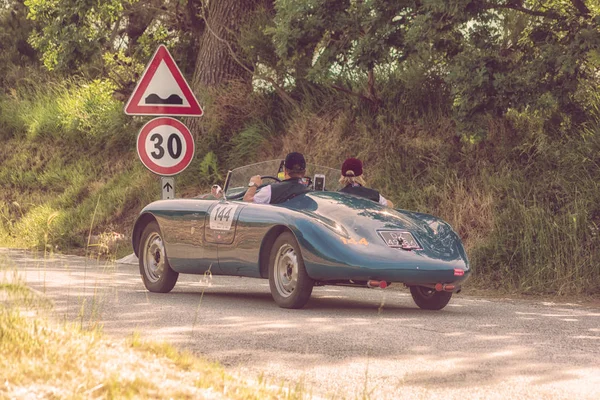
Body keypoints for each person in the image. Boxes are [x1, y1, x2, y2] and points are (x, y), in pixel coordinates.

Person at [243, 152, 310, 204]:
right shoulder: (308, 192)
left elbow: (247, 203)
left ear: (285, 170)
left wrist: (253, 185)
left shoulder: (271, 190)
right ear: (304, 172)